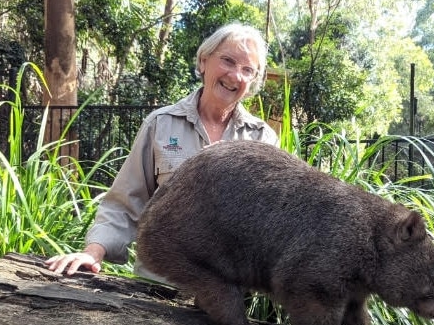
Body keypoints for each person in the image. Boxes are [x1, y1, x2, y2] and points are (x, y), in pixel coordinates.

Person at [45, 22, 279, 281]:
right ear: (203, 62)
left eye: (248, 70)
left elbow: (268, 228)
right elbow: (125, 202)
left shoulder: (261, 139)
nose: (236, 75)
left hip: (222, 296)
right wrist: (93, 252)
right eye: (228, 61)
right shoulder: (161, 124)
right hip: (156, 284)